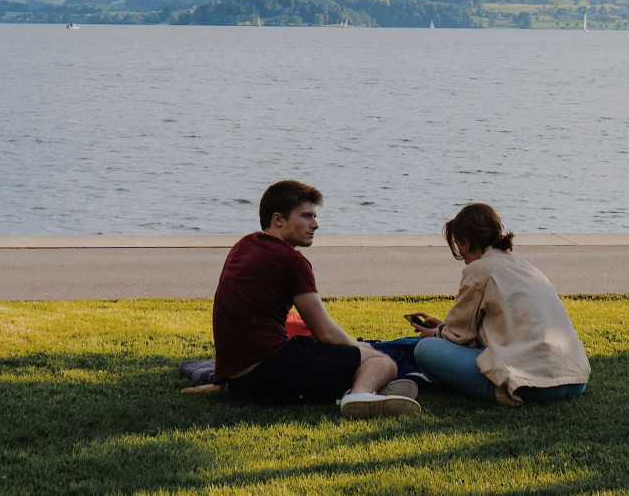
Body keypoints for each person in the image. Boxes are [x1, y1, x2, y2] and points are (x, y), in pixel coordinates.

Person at [185, 179, 421, 419]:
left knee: (340, 357)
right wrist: (360, 347)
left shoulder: (244, 245)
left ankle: (361, 388)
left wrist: (221, 380)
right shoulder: (291, 260)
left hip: (240, 383)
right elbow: (325, 333)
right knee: (381, 362)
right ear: (278, 219)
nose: (315, 225)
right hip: (271, 373)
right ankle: (359, 396)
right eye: (307, 216)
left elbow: (227, 317)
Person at [406, 203, 590, 406]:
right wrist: (444, 328)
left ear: (466, 242)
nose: (461, 255)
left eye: (458, 244)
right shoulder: (522, 265)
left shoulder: (479, 269)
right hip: (574, 379)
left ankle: (493, 388)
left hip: (530, 386)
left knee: (425, 349)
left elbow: (459, 335)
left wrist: (435, 333)